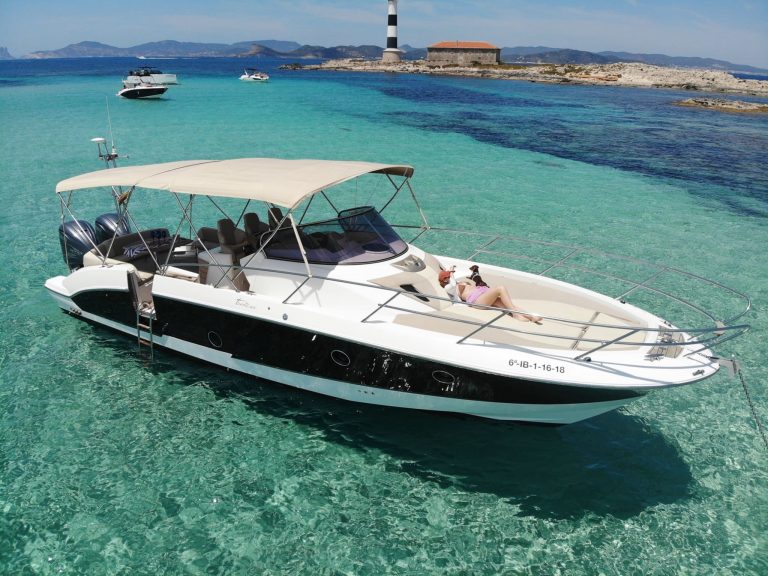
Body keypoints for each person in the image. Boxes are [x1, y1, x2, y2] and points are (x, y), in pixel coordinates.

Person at [438, 266, 543, 324]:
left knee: (506, 304)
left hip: (482, 295)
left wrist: (451, 272)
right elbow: (451, 282)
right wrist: (450, 273)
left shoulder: (456, 283)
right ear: (446, 279)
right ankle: (515, 315)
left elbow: (454, 280)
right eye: (448, 276)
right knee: (500, 288)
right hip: (476, 301)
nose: (452, 275)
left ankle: (530, 316)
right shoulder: (449, 288)